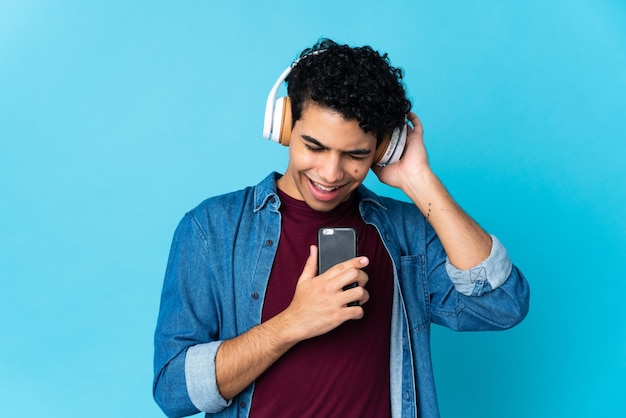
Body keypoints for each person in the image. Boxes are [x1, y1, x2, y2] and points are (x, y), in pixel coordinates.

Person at [153, 38, 530, 418]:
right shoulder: (210, 229)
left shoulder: (406, 234)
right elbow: (173, 391)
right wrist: (293, 323)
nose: (330, 174)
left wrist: (419, 180)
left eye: (355, 155)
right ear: (284, 126)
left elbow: (502, 306)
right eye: (314, 147)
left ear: (383, 149)